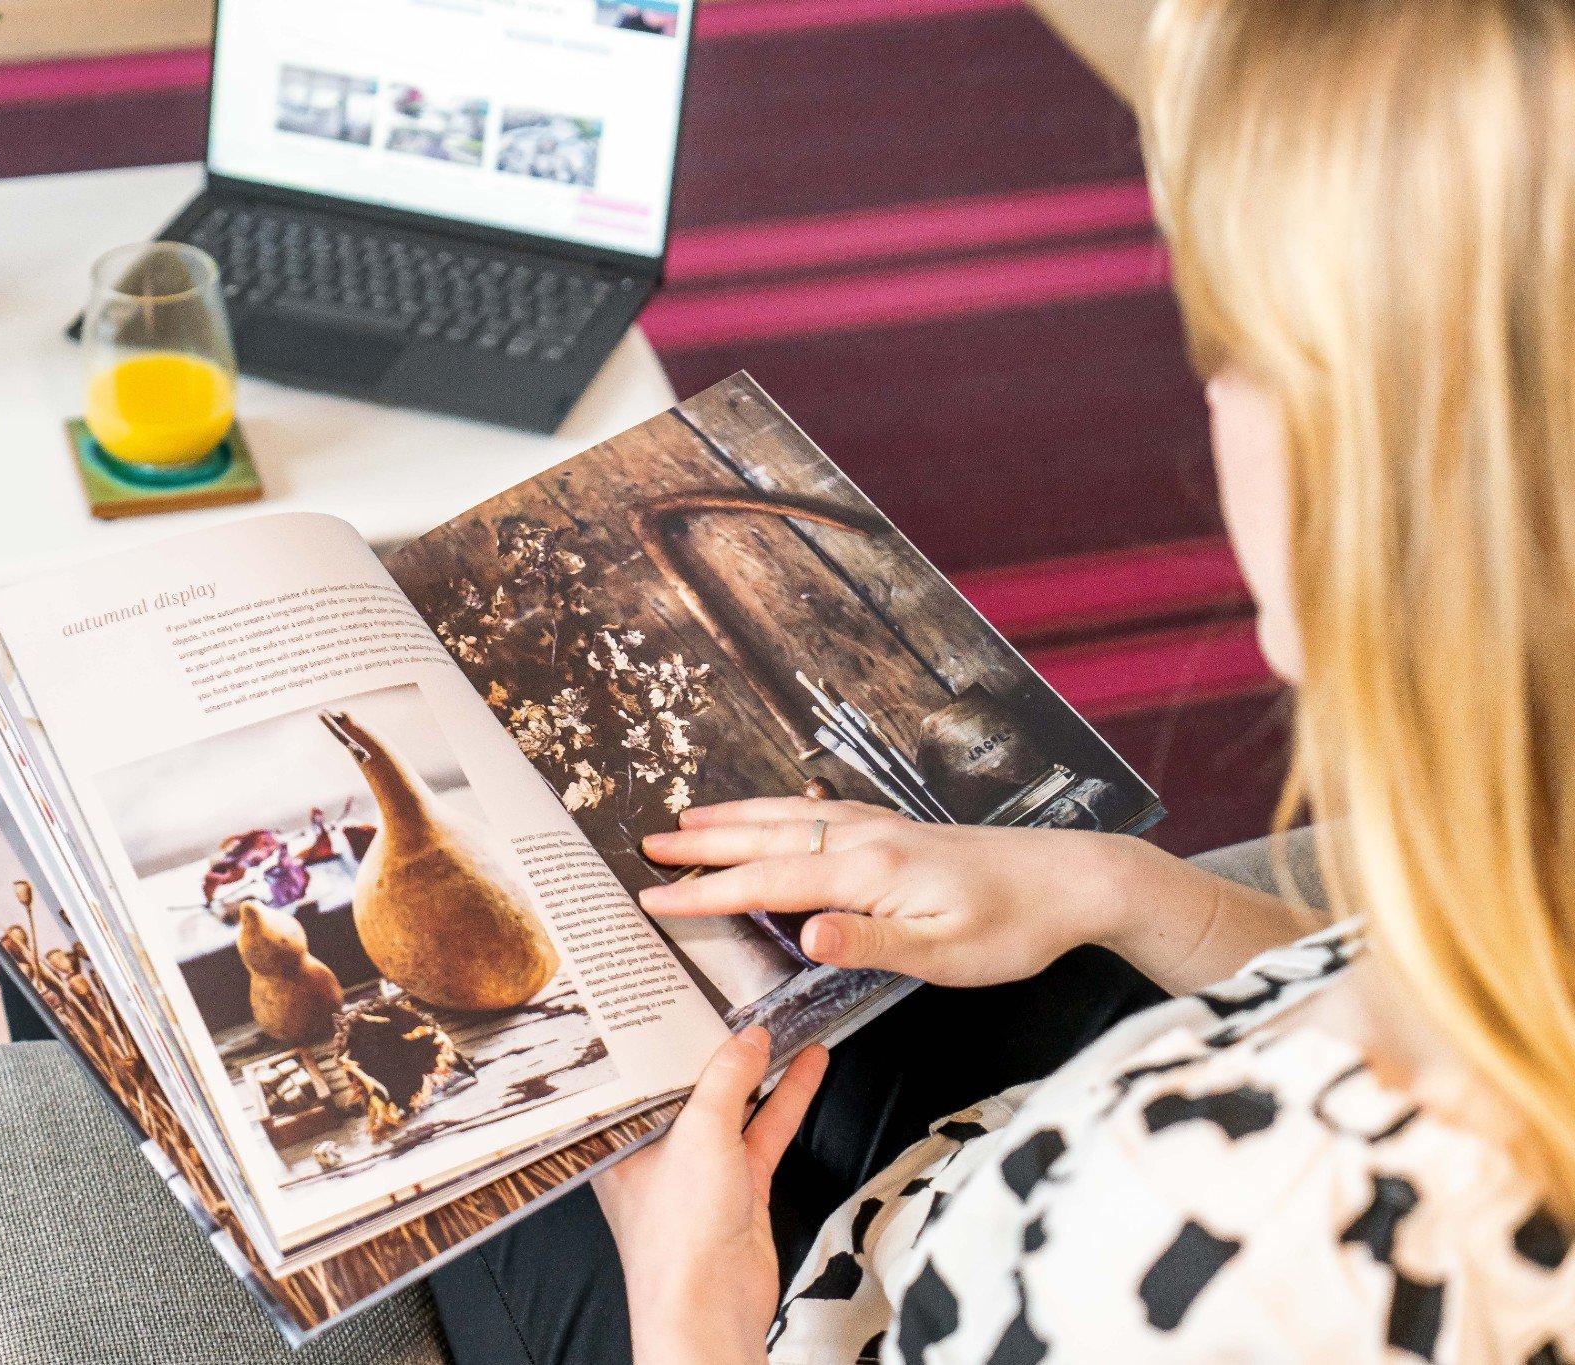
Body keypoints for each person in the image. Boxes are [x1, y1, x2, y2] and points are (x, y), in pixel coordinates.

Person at [430, 0, 1575, 1359]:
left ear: (1377, 474)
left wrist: (690, 1290)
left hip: (849, 1302)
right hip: (1001, 1182)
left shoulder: (1230, 1234)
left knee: (493, 1107)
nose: (1217, 408)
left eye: (1243, 352)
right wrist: (1106, 886)